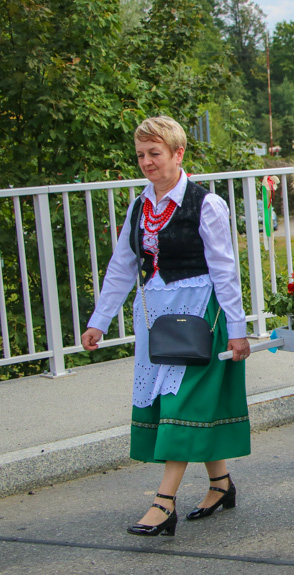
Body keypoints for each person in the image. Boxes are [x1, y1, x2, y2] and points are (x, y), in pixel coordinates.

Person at [81, 116, 251, 537]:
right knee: (180, 402)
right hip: (155, 314)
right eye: (141, 155)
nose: (146, 162)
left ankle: (163, 503)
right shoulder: (139, 205)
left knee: (181, 402)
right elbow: (122, 266)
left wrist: (236, 327)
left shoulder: (205, 204)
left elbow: (225, 270)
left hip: (199, 311)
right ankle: (220, 484)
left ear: (178, 153)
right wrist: (99, 322)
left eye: (154, 153)